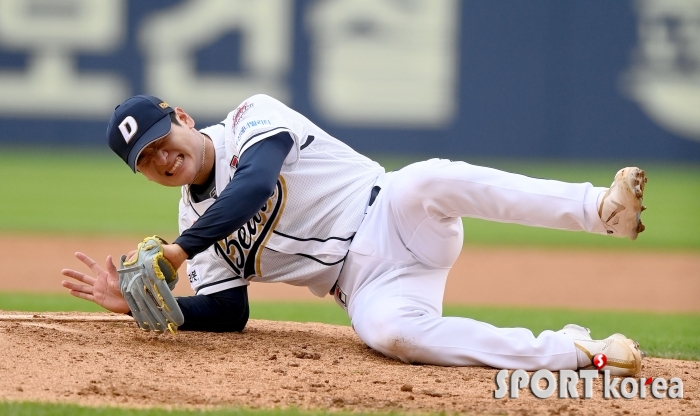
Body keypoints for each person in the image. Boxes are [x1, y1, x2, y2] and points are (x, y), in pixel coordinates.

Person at [62, 94, 647, 375]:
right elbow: (228, 311)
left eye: (165, 140)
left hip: (392, 211)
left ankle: (601, 209)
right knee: (389, 334)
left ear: (183, 118)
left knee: (429, 179)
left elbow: (254, 185)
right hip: (364, 285)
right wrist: (153, 309)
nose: (164, 158)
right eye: (147, 159)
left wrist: (176, 253)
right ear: (142, 173)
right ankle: (577, 351)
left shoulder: (249, 120)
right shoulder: (193, 224)